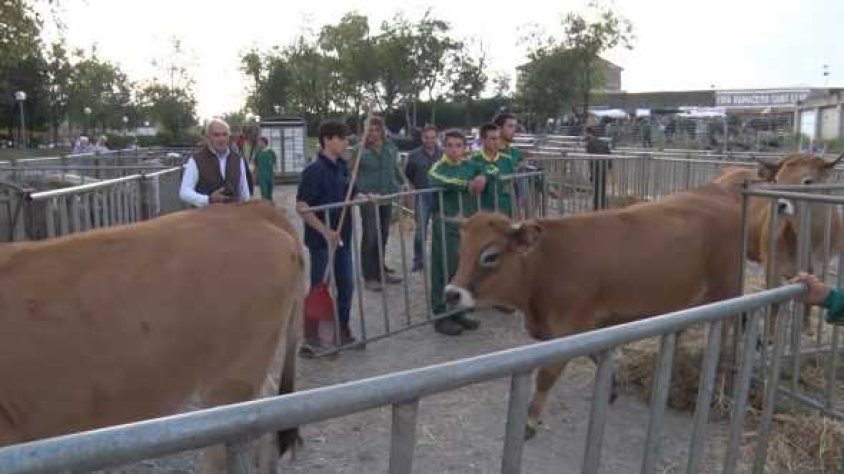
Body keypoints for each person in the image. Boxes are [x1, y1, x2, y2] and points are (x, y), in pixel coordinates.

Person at [296, 121, 358, 345]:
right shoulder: (314, 171)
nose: (345, 142)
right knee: (319, 287)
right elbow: (302, 206)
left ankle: (342, 329)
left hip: (342, 238)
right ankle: (312, 338)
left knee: (347, 286)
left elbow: (351, 194)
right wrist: (325, 231)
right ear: (327, 140)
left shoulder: (343, 166)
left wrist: (366, 197)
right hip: (321, 242)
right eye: (341, 138)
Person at [428, 129, 486, 336]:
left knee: (462, 270)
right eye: (450, 145)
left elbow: (485, 169)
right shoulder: (438, 167)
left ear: (465, 148)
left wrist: (482, 177)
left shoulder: (470, 165)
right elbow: (436, 179)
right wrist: (465, 185)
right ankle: (441, 315)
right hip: (446, 224)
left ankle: (458, 311)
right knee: (443, 269)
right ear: (444, 147)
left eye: (459, 145)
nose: (454, 150)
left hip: (467, 227)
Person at [353, 116, 407, 291]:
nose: (373, 133)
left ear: (382, 131)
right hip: (369, 199)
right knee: (370, 236)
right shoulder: (359, 150)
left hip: (387, 196)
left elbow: (396, 168)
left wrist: (404, 182)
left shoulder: (390, 147)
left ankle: (380, 269)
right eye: (369, 129)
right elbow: (351, 174)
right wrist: (360, 193)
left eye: (376, 129)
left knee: (383, 235)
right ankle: (369, 276)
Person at [179, 118, 251, 207]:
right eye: (216, 135)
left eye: (225, 134)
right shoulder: (196, 160)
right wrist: (208, 199)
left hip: (232, 214)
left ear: (229, 137)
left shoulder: (238, 160)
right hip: (205, 214)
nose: (221, 139)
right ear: (208, 137)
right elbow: (184, 192)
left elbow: (244, 194)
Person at [404, 124, 440, 272]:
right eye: (427, 137)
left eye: (433, 137)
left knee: (440, 229)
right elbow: (408, 174)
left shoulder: (443, 154)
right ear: (422, 138)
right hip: (422, 195)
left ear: (437, 137)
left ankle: (439, 259)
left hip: (440, 196)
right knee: (420, 231)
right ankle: (418, 260)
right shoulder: (413, 156)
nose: (430, 140)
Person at [470, 123, 516, 217]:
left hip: (504, 211)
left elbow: (512, 186)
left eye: (498, 138)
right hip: (482, 212)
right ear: (482, 140)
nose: (497, 142)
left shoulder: (507, 160)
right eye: (493, 139)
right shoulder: (473, 160)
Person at [585, 125, 612, 210]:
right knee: (603, 188)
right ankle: (603, 206)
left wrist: (591, 173)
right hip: (604, 168)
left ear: (589, 133)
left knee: (596, 189)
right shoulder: (604, 143)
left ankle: (597, 207)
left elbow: (591, 160)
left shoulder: (590, 144)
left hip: (596, 169)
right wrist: (609, 168)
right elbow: (609, 157)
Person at [254, 137, 277, 202]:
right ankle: (265, 204)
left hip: (270, 175)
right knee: (264, 192)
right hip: (262, 176)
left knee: (270, 192)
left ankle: (270, 204)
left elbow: (274, 163)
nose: (258, 144)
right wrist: (255, 175)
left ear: (263, 142)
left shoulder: (271, 152)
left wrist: (275, 171)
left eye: (259, 142)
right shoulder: (258, 153)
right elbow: (255, 164)